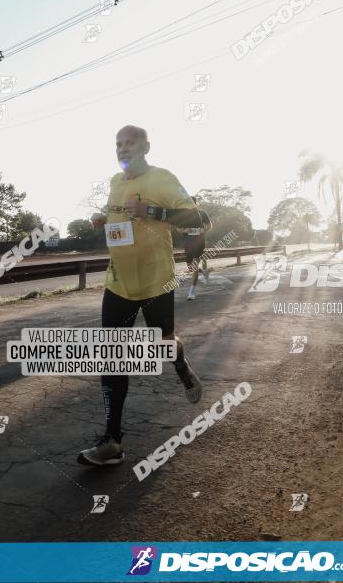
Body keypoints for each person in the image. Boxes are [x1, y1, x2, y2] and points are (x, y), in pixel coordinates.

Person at [77, 125, 204, 467]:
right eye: (117, 144)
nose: (122, 149)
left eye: (129, 143)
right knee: (112, 359)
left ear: (146, 146)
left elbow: (196, 219)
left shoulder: (163, 179)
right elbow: (121, 222)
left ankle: (180, 363)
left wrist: (153, 212)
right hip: (118, 284)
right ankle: (112, 441)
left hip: (156, 282)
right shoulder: (116, 183)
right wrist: (104, 218)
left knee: (164, 342)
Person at [181, 196, 212, 300]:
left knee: (194, 267)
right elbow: (179, 229)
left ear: (195, 204)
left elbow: (209, 225)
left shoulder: (202, 213)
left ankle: (191, 292)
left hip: (199, 242)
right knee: (191, 268)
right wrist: (188, 230)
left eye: (192, 204)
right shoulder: (183, 215)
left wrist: (204, 230)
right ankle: (203, 272)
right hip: (187, 243)